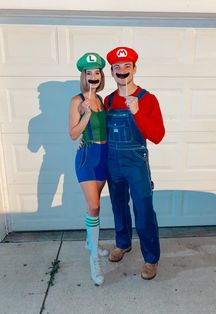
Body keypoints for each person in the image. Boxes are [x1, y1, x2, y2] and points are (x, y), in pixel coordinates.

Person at [104, 46, 165, 280]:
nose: (122, 71)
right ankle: (123, 243)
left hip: (136, 162)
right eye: (117, 67)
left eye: (127, 66)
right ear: (111, 72)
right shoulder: (108, 101)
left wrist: (138, 112)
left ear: (134, 69)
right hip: (113, 162)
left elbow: (158, 136)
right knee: (118, 205)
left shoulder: (147, 99)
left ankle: (151, 258)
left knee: (143, 209)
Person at [68, 52, 109, 286]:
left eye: (97, 72)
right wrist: (85, 113)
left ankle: (89, 241)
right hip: (86, 157)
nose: (93, 76)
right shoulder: (77, 100)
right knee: (93, 207)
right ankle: (94, 259)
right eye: (89, 73)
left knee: (96, 205)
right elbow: (73, 133)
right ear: (83, 76)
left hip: (104, 157)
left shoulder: (102, 99)